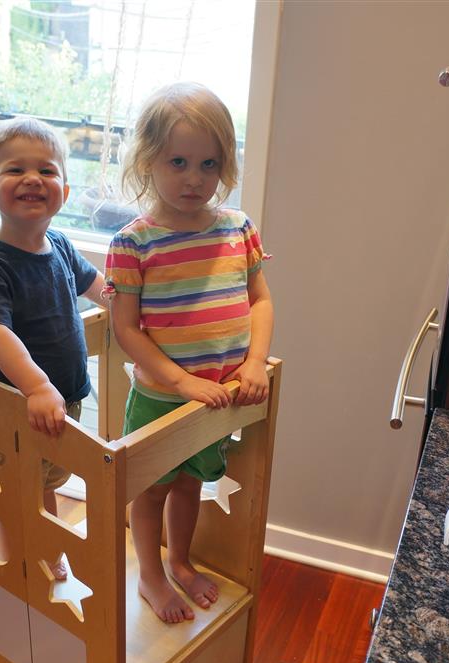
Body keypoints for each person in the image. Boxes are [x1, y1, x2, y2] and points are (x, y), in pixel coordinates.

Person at [104, 82, 274, 623]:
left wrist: (254, 362)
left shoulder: (238, 228)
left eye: (209, 163)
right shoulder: (134, 242)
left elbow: (260, 300)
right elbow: (126, 329)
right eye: (178, 162)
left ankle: (179, 560)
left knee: (190, 484)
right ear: (148, 161)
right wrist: (180, 382)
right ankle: (150, 573)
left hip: (218, 398)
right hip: (161, 397)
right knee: (152, 489)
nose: (194, 178)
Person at [0, 116, 105, 579]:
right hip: (17, 407)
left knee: (44, 480)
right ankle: (13, 564)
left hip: (62, 401)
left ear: (64, 192)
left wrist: (135, 306)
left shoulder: (59, 244)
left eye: (46, 170)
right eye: (15, 170)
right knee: (8, 489)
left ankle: (45, 551)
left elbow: (99, 287)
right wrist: (38, 386)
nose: (32, 179)